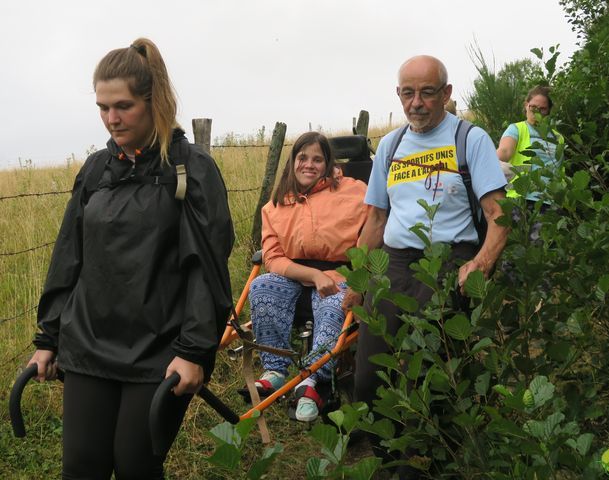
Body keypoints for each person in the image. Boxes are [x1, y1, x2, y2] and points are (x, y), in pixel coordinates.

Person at [27, 38, 234, 480]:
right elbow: (70, 256)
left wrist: (195, 350)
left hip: (161, 349)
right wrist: (49, 337)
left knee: (136, 464)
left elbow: (207, 270)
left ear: (153, 100)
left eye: (123, 106)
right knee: (82, 466)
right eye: (102, 107)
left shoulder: (190, 170)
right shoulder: (97, 169)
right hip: (88, 341)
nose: (111, 119)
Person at [342, 55, 508, 475]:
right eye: (408, 93)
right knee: (369, 377)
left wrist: (480, 265)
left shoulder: (470, 140)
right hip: (394, 265)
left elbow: (500, 215)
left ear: (447, 94)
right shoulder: (391, 147)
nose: (417, 102)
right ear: (398, 95)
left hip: (448, 262)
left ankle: (438, 462)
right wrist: (358, 278)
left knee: (438, 374)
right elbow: (376, 218)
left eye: (427, 92)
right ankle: (389, 461)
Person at [248, 132, 368, 422]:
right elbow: (273, 257)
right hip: (296, 274)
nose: (309, 165)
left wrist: (356, 280)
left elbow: (371, 235)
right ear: (292, 162)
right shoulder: (275, 204)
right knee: (261, 285)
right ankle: (275, 370)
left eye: (318, 159)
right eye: (303, 158)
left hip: (340, 274)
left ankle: (313, 380)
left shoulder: (355, 192)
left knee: (333, 303)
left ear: (328, 163)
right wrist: (313, 275)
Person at [496, 85, 563, 202]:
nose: (537, 112)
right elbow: (504, 151)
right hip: (522, 200)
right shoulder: (516, 129)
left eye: (542, 109)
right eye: (533, 107)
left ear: (548, 111)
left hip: (552, 201)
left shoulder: (558, 137)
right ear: (526, 105)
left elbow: (560, 170)